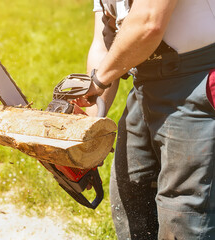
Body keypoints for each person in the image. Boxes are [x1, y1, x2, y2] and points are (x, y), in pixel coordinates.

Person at [77, 0, 215, 239]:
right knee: (132, 193)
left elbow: (149, 23)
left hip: (196, 80)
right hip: (145, 82)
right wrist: (88, 135)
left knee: (185, 211)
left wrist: (97, 83)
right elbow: (104, 45)